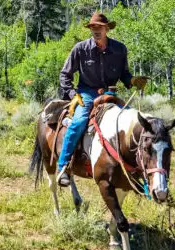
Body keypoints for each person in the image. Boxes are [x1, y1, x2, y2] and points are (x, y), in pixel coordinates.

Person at [57, 12, 148, 187]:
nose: (96, 30)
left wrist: (133, 81)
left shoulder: (120, 49)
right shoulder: (80, 49)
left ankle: (137, 168)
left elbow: (124, 74)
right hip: (87, 93)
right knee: (78, 122)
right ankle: (63, 167)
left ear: (107, 28)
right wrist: (71, 95)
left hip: (110, 93)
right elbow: (64, 74)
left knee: (132, 122)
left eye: (99, 27)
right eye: (93, 27)